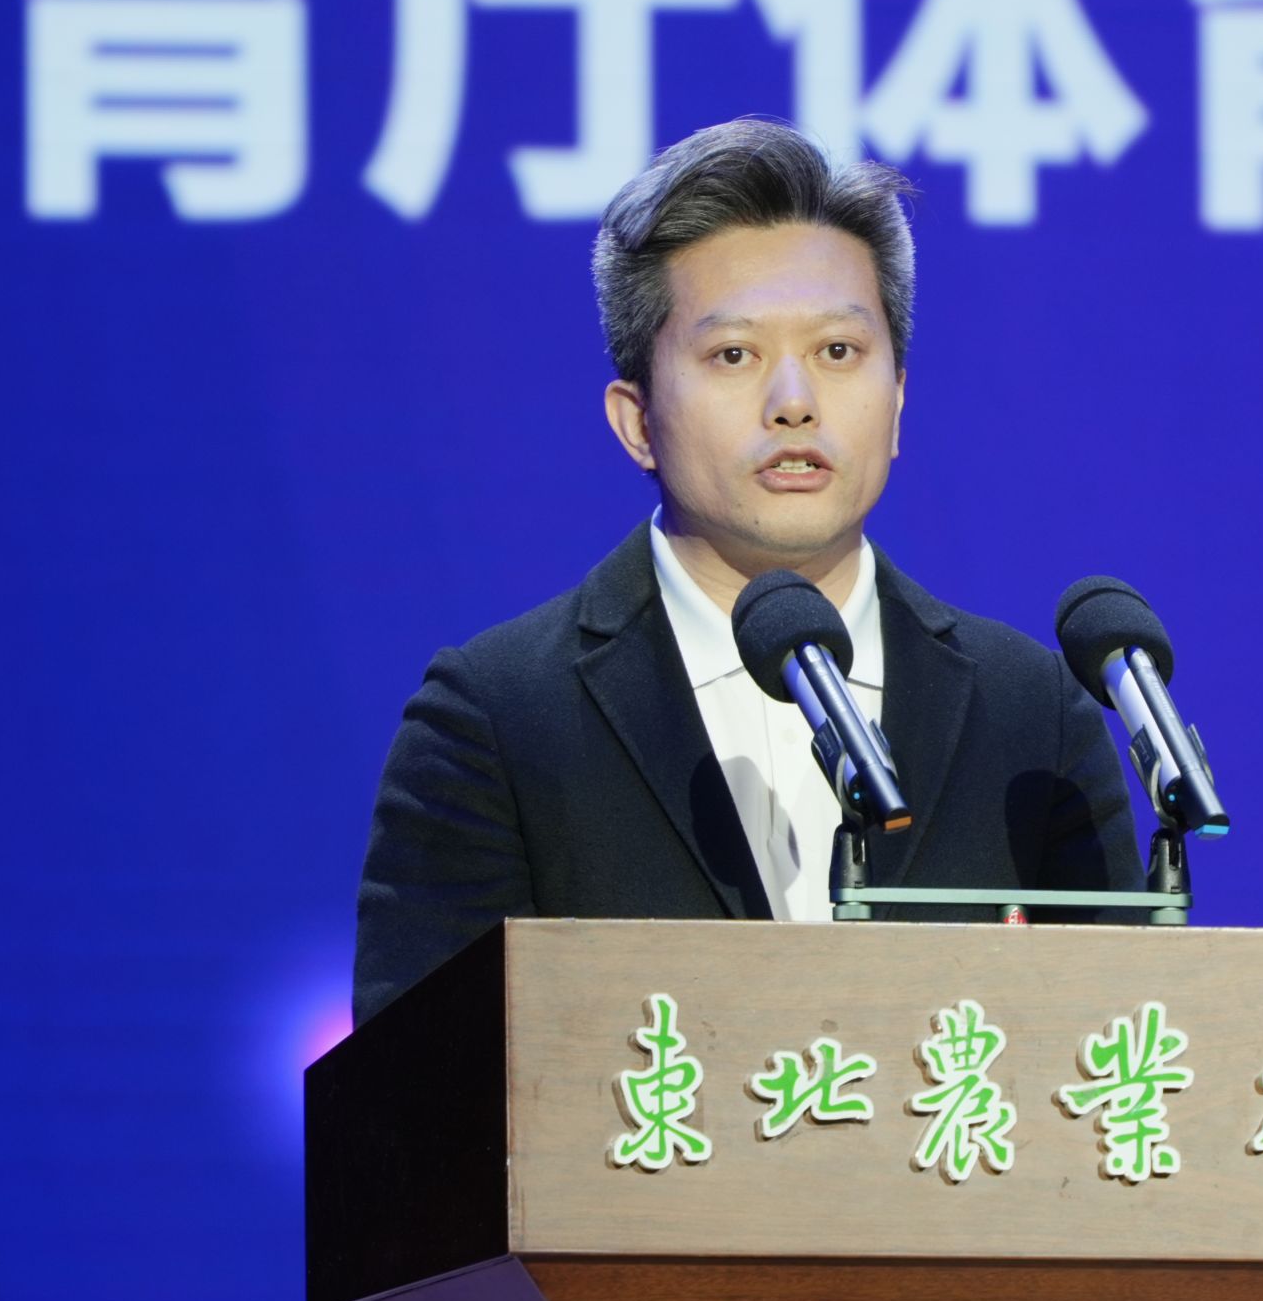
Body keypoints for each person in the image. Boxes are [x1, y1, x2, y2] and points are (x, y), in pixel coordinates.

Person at [352, 120, 1142, 1025]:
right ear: (637, 421)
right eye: (735, 355)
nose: (794, 402)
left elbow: (1127, 1062)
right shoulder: (499, 720)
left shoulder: (1031, 717)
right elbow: (417, 1092)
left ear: (896, 403)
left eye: (838, 352)